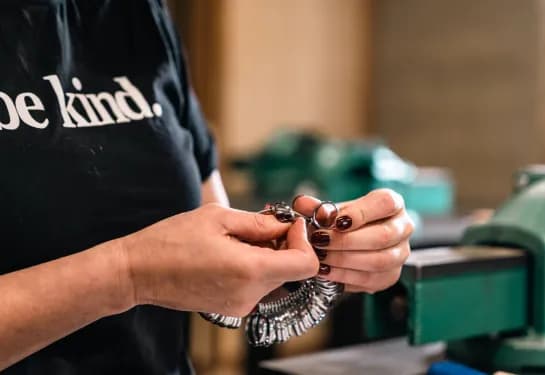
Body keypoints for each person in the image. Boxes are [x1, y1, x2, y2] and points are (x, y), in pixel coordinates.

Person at [0, 0, 413, 374]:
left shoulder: (136, 16)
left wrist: (328, 258)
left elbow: (219, 251)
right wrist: (127, 274)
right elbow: (149, 267)